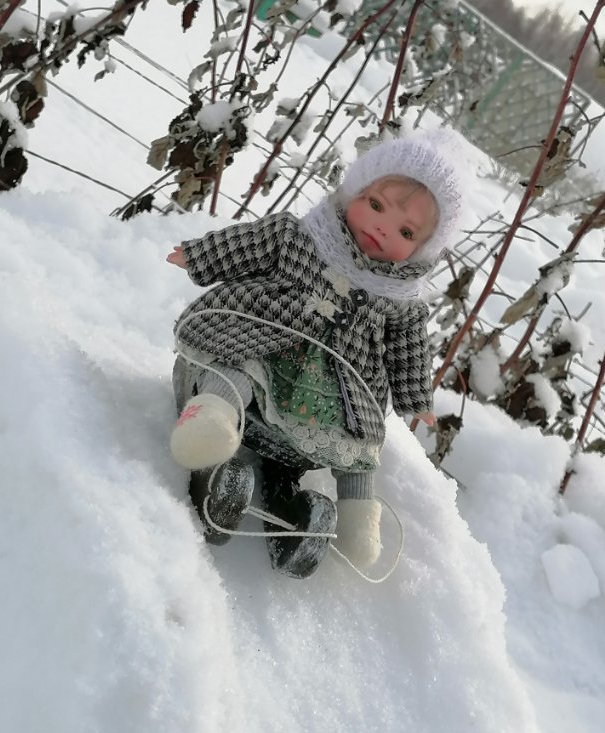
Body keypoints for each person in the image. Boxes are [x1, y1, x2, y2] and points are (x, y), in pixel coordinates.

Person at [166, 128, 467, 578]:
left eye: (405, 231)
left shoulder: (400, 300)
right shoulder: (298, 236)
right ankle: (210, 421)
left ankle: (336, 517)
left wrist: (416, 399)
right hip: (260, 336)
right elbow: (250, 245)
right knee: (243, 365)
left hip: (329, 390)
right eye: (377, 206)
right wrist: (200, 256)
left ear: (421, 250)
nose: (383, 227)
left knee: (361, 435)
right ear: (353, 194)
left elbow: (408, 349)